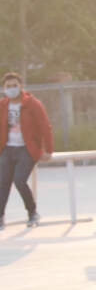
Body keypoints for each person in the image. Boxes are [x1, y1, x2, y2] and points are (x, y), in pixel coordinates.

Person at [0, 72, 53, 229]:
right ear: (3, 88)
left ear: (21, 86)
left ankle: (32, 212)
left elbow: (45, 126)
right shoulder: (2, 105)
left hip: (26, 149)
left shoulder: (32, 103)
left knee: (19, 180)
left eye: (14, 85)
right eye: (8, 86)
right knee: (2, 183)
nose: (11, 89)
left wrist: (48, 150)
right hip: (7, 149)